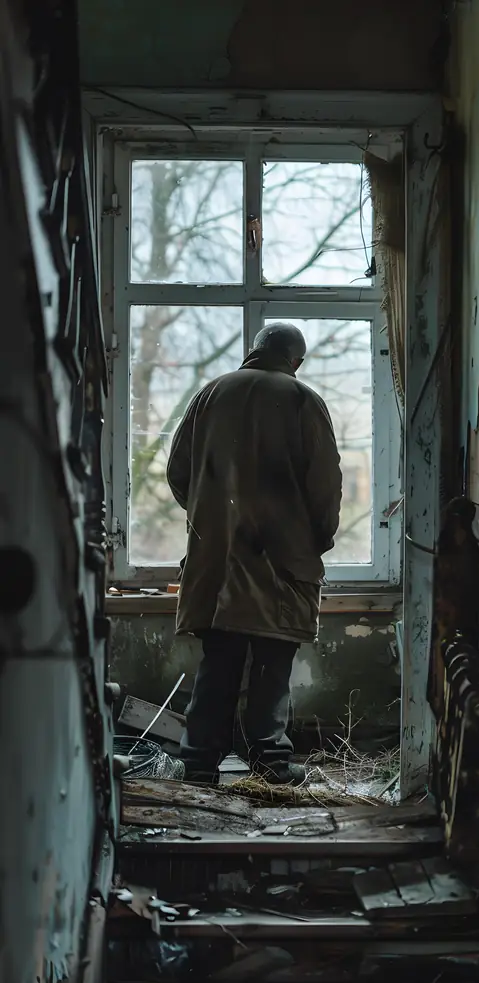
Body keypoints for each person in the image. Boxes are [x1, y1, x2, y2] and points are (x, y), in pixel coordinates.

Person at [166, 322, 342, 786]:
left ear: (253, 351)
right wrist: (316, 539)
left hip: (217, 558)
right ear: (295, 361)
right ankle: (271, 763)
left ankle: (199, 764)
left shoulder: (210, 394)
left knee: (218, 661)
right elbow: (325, 484)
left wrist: (213, 518)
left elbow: (178, 470)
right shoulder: (303, 400)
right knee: (271, 662)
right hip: (279, 559)